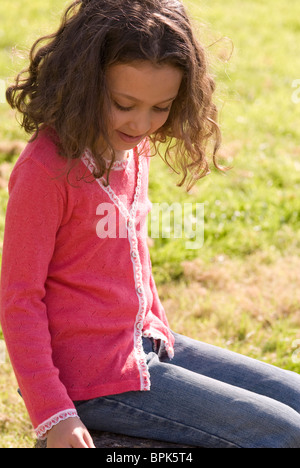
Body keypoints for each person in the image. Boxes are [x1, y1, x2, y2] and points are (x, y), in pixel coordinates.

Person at [1, 0, 300, 449]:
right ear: (85, 82)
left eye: (161, 107)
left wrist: (156, 326)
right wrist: (52, 414)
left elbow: (131, 255)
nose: (142, 124)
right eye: (125, 104)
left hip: (145, 347)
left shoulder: (130, 150)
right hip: (91, 382)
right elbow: (18, 301)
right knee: (285, 433)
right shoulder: (46, 169)